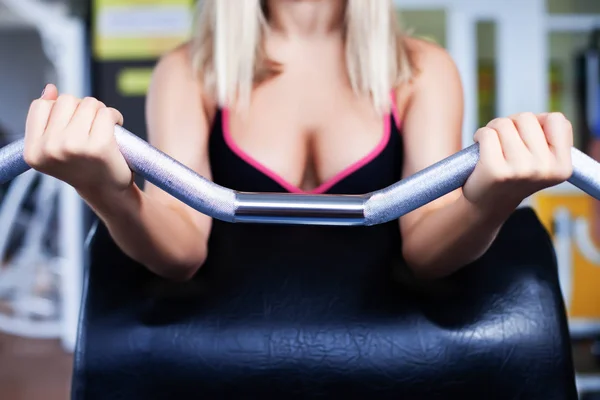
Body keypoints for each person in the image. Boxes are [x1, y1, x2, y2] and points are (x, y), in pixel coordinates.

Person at [23, 0, 573, 282]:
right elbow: (182, 252)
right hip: (233, 338)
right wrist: (106, 190)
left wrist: (494, 197)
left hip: (384, 338)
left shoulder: (422, 69)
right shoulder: (191, 70)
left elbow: (426, 252)